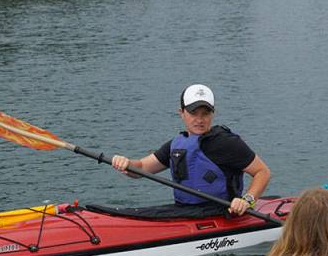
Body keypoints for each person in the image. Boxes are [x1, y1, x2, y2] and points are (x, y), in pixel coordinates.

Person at [110, 84, 271, 216]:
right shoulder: (176, 145)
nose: (199, 120)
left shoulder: (227, 143)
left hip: (224, 214)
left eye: (205, 113)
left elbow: (262, 172)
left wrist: (246, 201)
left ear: (213, 113)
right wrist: (126, 164)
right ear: (181, 113)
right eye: (193, 113)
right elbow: (141, 168)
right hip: (185, 212)